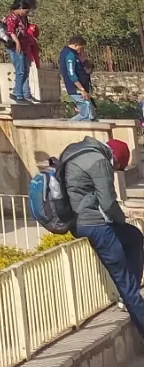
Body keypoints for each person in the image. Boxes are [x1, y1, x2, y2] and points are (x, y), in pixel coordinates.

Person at [57, 135, 144, 338]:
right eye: (117, 168)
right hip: (95, 225)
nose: (114, 171)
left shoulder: (76, 149)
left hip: (78, 221)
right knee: (127, 285)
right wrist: (122, 218)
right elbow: (107, 203)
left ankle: (127, 296)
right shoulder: (100, 162)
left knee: (134, 237)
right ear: (115, 159)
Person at [4, 0, 39, 103]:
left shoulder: (23, 17)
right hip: (15, 47)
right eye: (26, 11)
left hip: (24, 46)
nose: (27, 13)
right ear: (19, 8)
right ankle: (17, 93)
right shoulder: (12, 17)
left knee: (25, 70)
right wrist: (17, 42)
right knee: (20, 70)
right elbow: (10, 31)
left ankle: (22, 93)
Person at [58, 36, 95, 122]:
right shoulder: (69, 55)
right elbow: (71, 73)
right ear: (76, 45)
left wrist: (82, 61)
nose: (82, 51)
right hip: (77, 90)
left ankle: (66, 126)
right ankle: (66, 128)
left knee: (86, 114)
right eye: (81, 48)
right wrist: (82, 89)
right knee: (88, 115)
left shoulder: (73, 55)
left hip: (78, 90)